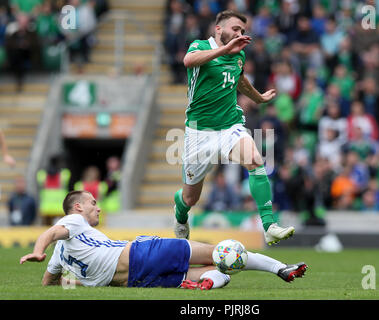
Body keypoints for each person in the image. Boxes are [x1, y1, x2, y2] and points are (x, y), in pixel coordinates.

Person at [173, 10, 295, 245]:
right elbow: (188, 62)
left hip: (230, 126)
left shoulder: (238, 55)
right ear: (219, 29)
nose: (240, 34)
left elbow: (239, 78)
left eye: (242, 31)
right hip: (199, 132)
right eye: (235, 29)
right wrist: (224, 50)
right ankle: (180, 219)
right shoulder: (199, 45)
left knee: (256, 161)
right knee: (189, 198)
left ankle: (269, 226)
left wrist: (258, 98)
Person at [19, 190, 308, 289]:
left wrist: (80, 281)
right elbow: (51, 233)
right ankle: (279, 268)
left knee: (218, 273)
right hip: (144, 254)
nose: (98, 207)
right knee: (222, 252)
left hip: (136, 280)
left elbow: (50, 285)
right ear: (78, 207)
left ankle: (212, 283)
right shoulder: (74, 220)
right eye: (93, 202)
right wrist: (38, 249)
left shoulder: (62, 254)